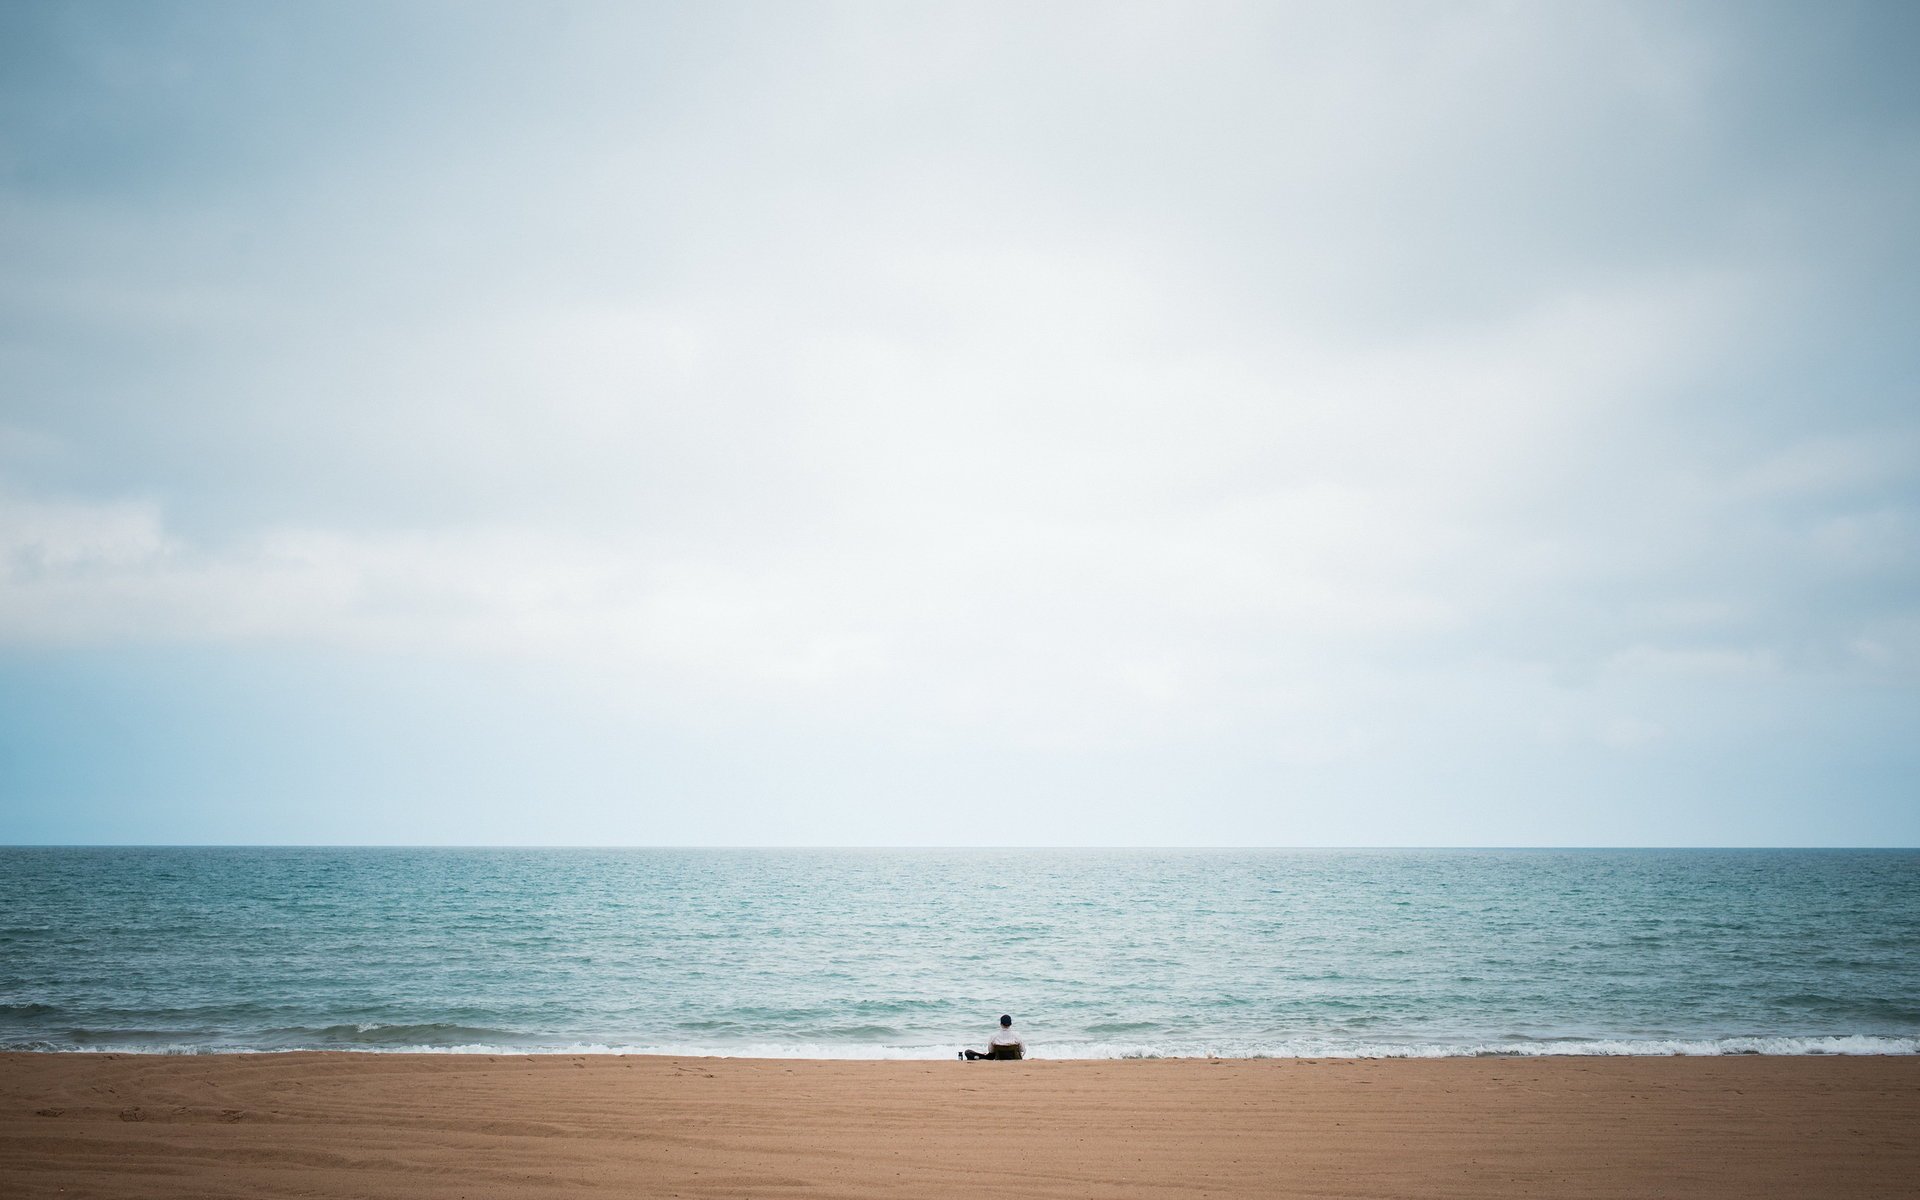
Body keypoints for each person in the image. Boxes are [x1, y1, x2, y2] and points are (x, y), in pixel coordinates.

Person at [960, 1014, 1024, 1060]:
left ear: (1000, 1024)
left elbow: (991, 1051)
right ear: (1011, 1024)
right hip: (1015, 1058)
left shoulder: (994, 1036)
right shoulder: (1017, 1035)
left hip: (999, 1058)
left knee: (968, 1052)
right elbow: (1022, 1050)